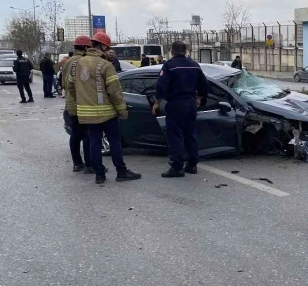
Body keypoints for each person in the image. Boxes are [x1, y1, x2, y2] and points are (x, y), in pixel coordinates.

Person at [68, 32, 141, 185]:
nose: (108, 51)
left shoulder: (77, 64)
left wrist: (82, 100)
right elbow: (115, 91)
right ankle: (121, 172)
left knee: (94, 142)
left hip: (86, 113)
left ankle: (99, 175)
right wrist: (122, 110)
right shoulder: (105, 65)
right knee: (114, 142)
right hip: (107, 113)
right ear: (102, 46)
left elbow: (70, 86)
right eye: (107, 48)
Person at [154, 40, 209, 178]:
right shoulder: (194, 65)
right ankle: (192, 164)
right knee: (190, 133)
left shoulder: (169, 66)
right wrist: (200, 98)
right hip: (191, 104)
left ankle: (177, 166)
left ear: (172, 51)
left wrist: (157, 102)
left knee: (175, 134)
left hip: (176, 103)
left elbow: (161, 85)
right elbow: (204, 84)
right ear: (186, 51)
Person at [63, 36, 94, 173]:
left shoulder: (68, 62)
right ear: (86, 47)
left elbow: (64, 83)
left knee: (75, 134)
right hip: (82, 102)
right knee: (87, 135)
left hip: (70, 103)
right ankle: (89, 165)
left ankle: (77, 163)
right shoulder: (83, 61)